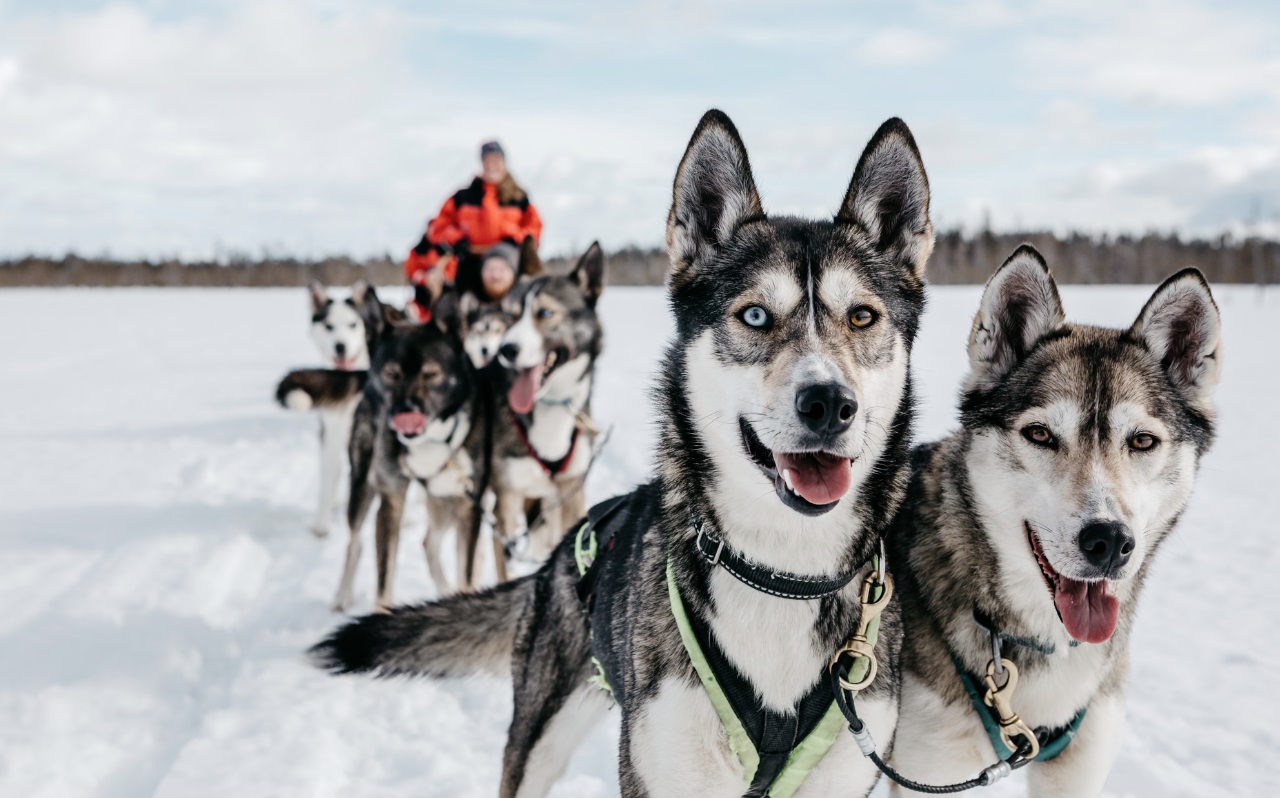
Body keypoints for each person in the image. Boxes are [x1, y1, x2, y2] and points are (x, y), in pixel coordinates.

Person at [404, 141, 542, 317]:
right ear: (482, 164)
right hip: (470, 259)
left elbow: (534, 228)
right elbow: (440, 225)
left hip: (506, 259)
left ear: (503, 163)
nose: (492, 166)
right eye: (488, 161)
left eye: (496, 160)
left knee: (500, 279)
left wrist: (514, 240)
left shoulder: (519, 198)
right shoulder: (464, 196)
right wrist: (457, 239)